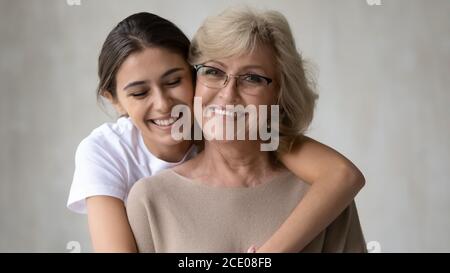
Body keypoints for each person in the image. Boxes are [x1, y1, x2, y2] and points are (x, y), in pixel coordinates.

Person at [67, 11, 365, 252]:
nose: (228, 94)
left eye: (252, 78)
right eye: (214, 71)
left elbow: (341, 174)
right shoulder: (139, 189)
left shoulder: (322, 195)